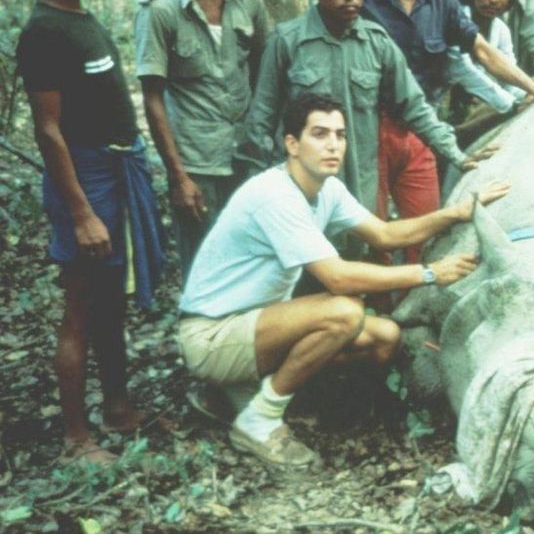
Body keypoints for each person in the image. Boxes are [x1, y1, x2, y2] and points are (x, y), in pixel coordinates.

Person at [179, 93, 510, 465]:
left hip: (257, 329)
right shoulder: (274, 196)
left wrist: (455, 213)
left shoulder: (326, 189)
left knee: (385, 337)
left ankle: (256, 395)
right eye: (319, 134)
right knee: (344, 312)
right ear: (292, 144)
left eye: (339, 134)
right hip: (211, 337)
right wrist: (430, 273)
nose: (333, 144)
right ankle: (259, 419)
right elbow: (337, 278)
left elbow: (385, 235)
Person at [17, 0, 165, 464]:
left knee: (110, 303)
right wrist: (82, 214)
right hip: (85, 180)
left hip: (116, 173)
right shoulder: (44, 33)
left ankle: (119, 410)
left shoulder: (82, 18)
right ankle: (76, 438)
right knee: (79, 306)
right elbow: (50, 131)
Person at [239, 0, 475, 266]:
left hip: (361, 186)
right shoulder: (287, 41)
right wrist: (265, 190)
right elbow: (260, 122)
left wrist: (456, 155)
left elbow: (415, 105)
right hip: (304, 188)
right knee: (308, 274)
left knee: (365, 264)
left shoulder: (376, 43)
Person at [362, 0, 534, 251]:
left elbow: (483, 52)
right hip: (369, 125)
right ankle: (375, 300)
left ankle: (411, 298)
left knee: (426, 228)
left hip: (423, 128)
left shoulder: (440, 1)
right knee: (371, 230)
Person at [135, 0, 269, 280]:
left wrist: (267, 144)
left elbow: (265, 75)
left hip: (247, 158)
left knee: (253, 264)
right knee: (204, 272)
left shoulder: (250, 0)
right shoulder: (159, 11)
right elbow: (153, 98)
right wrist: (179, 178)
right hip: (197, 164)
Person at [445, 0, 527, 115]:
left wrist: (533, 95)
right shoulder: (453, 17)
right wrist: (510, 105)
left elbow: (509, 82)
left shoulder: (501, 31)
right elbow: (463, 72)